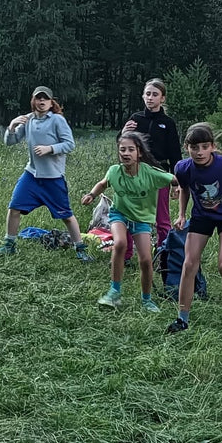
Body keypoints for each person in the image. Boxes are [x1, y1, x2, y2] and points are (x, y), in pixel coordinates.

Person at [167, 122, 222, 333]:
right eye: (194, 147)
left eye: (204, 147)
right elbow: (184, 188)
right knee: (189, 264)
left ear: (212, 147)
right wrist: (181, 214)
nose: (199, 152)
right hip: (202, 217)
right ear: (186, 147)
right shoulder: (182, 167)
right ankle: (182, 319)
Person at [81, 131, 178, 312]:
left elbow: (173, 178)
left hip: (141, 220)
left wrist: (175, 189)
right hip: (119, 214)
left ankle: (146, 300)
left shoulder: (150, 173)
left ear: (139, 153)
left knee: (146, 260)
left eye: (130, 150)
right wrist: (91, 194)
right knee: (119, 244)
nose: (125, 153)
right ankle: (114, 292)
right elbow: (103, 183)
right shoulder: (114, 171)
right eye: (122, 149)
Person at [0, 86, 92, 263]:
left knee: (66, 216)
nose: (42, 102)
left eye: (45, 99)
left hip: (53, 178)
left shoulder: (57, 120)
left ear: (51, 102)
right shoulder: (29, 119)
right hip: (31, 175)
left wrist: (50, 149)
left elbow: (70, 144)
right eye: (38, 98)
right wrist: (12, 126)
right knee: (14, 207)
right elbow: (10, 142)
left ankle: (80, 249)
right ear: (33, 100)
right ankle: (9, 244)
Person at [122, 78, 181, 249]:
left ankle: (163, 253)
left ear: (162, 98)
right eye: (148, 94)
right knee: (131, 213)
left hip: (160, 173)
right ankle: (126, 253)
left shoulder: (168, 123)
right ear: (143, 96)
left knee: (161, 218)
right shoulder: (136, 118)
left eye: (155, 94)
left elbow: (175, 153)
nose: (150, 98)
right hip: (136, 172)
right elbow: (122, 145)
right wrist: (124, 132)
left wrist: (178, 182)